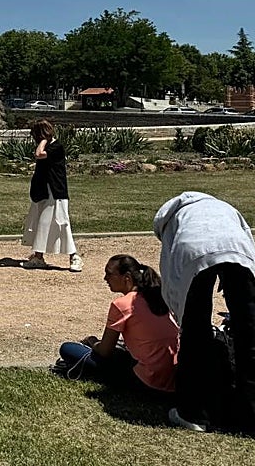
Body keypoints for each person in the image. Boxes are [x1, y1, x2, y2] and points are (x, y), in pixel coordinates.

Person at [154, 192, 255, 434]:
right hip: (238, 250)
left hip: (192, 252)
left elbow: (170, 278)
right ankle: (250, 413)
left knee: (195, 331)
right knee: (250, 331)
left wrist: (180, 311)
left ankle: (194, 413)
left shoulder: (173, 221)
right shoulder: (224, 209)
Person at [57, 254, 178, 396]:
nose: (105, 279)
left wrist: (93, 342)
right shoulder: (158, 296)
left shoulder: (122, 304)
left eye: (109, 274)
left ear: (126, 277)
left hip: (146, 382)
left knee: (68, 349)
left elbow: (104, 351)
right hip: (174, 379)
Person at [22, 120, 82, 272]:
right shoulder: (50, 146)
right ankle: (39, 256)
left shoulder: (56, 147)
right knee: (40, 224)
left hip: (56, 192)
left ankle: (74, 256)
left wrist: (43, 140)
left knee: (61, 223)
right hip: (43, 191)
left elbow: (38, 154)